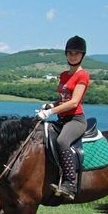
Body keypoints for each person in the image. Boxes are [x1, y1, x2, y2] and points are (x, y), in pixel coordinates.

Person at [36, 35, 90, 200]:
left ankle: (70, 184)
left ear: (82, 55)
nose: (73, 56)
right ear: (66, 54)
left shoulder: (83, 75)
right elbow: (63, 99)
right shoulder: (63, 75)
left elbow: (73, 102)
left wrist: (50, 113)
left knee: (62, 141)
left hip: (75, 119)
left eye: (77, 53)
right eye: (70, 53)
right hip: (61, 119)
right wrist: (51, 105)